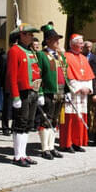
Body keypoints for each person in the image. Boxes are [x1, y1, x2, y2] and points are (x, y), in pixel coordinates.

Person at [6, 23, 43, 167]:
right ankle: (17, 155)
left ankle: (23, 153)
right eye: (29, 34)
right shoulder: (15, 50)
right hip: (22, 92)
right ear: (21, 35)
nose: (32, 37)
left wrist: (39, 92)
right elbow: (12, 75)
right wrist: (15, 96)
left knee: (28, 124)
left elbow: (37, 72)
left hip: (33, 91)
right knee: (20, 124)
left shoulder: (30, 51)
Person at [36, 24, 67, 159]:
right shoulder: (42, 55)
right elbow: (38, 75)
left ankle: (52, 146)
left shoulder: (60, 56)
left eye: (58, 39)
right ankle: (44, 148)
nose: (57, 42)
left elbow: (64, 73)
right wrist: (40, 93)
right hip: (48, 91)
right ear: (48, 41)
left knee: (54, 120)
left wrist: (67, 89)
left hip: (60, 91)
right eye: (54, 39)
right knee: (46, 120)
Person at [62, 34, 95, 153]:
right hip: (73, 92)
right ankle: (67, 143)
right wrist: (79, 88)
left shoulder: (84, 58)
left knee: (80, 117)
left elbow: (89, 75)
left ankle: (77, 142)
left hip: (83, 93)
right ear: (73, 44)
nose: (83, 45)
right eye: (80, 43)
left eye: (82, 43)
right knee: (70, 118)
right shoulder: (66, 56)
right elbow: (68, 76)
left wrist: (88, 88)